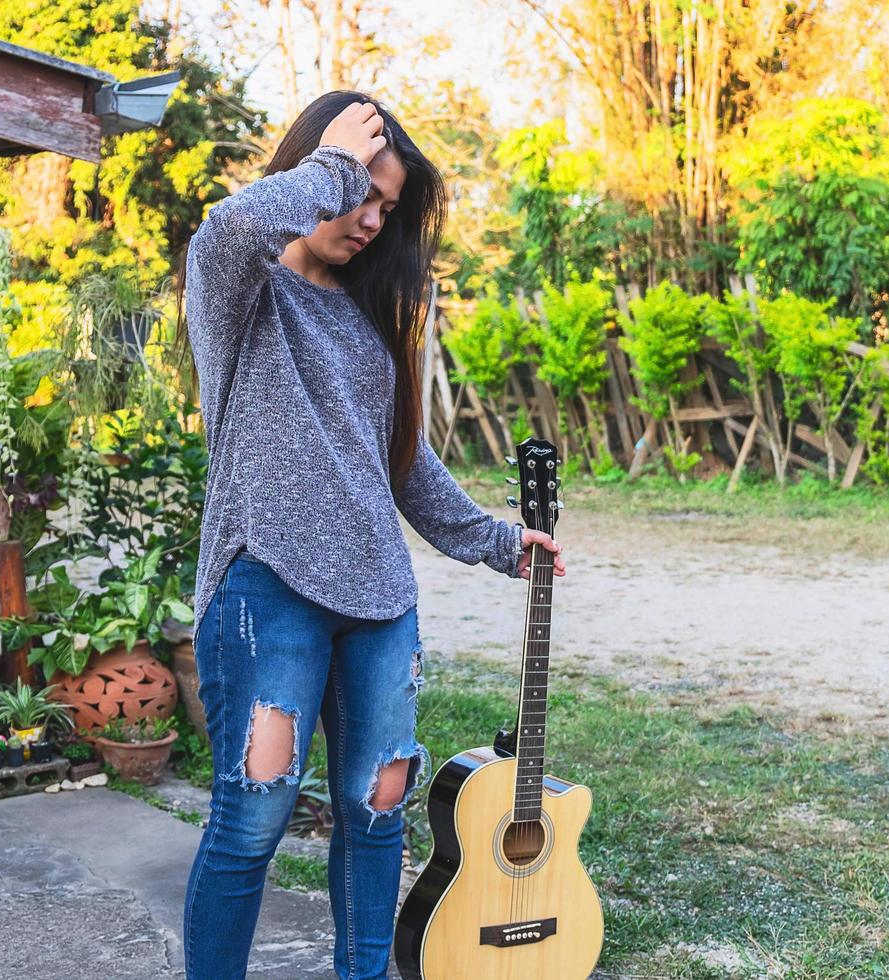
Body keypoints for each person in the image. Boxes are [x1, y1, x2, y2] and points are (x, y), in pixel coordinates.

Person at [180, 91, 565, 980]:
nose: (369, 218)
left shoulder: (370, 319)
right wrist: (333, 167)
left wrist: (495, 540)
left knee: (379, 811)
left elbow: (399, 460)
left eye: (387, 206)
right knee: (252, 820)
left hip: (380, 603)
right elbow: (225, 231)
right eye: (360, 192)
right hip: (265, 588)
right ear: (316, 173)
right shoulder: (244, 293)